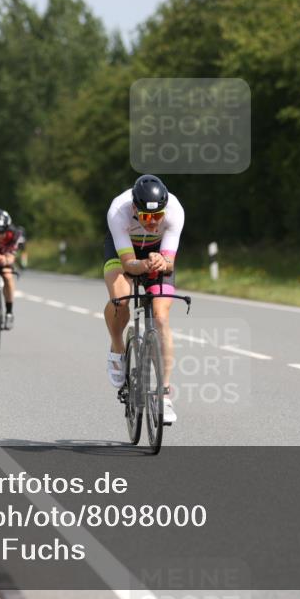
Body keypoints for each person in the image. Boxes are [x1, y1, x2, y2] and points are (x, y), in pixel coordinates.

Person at [103, 175, 184, 423]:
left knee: (161, 316)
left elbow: (169, 263)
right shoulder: (119, 209)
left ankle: (164, 395)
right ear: (134, 209)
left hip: (157, 251)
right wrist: (144, 264)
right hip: (124, 252)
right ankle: (117, 345)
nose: (152, 222)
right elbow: (128, 264)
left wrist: (162, 262)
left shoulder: (174, 210)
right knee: (121, 300)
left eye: (157, 217)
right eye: (146, 217)